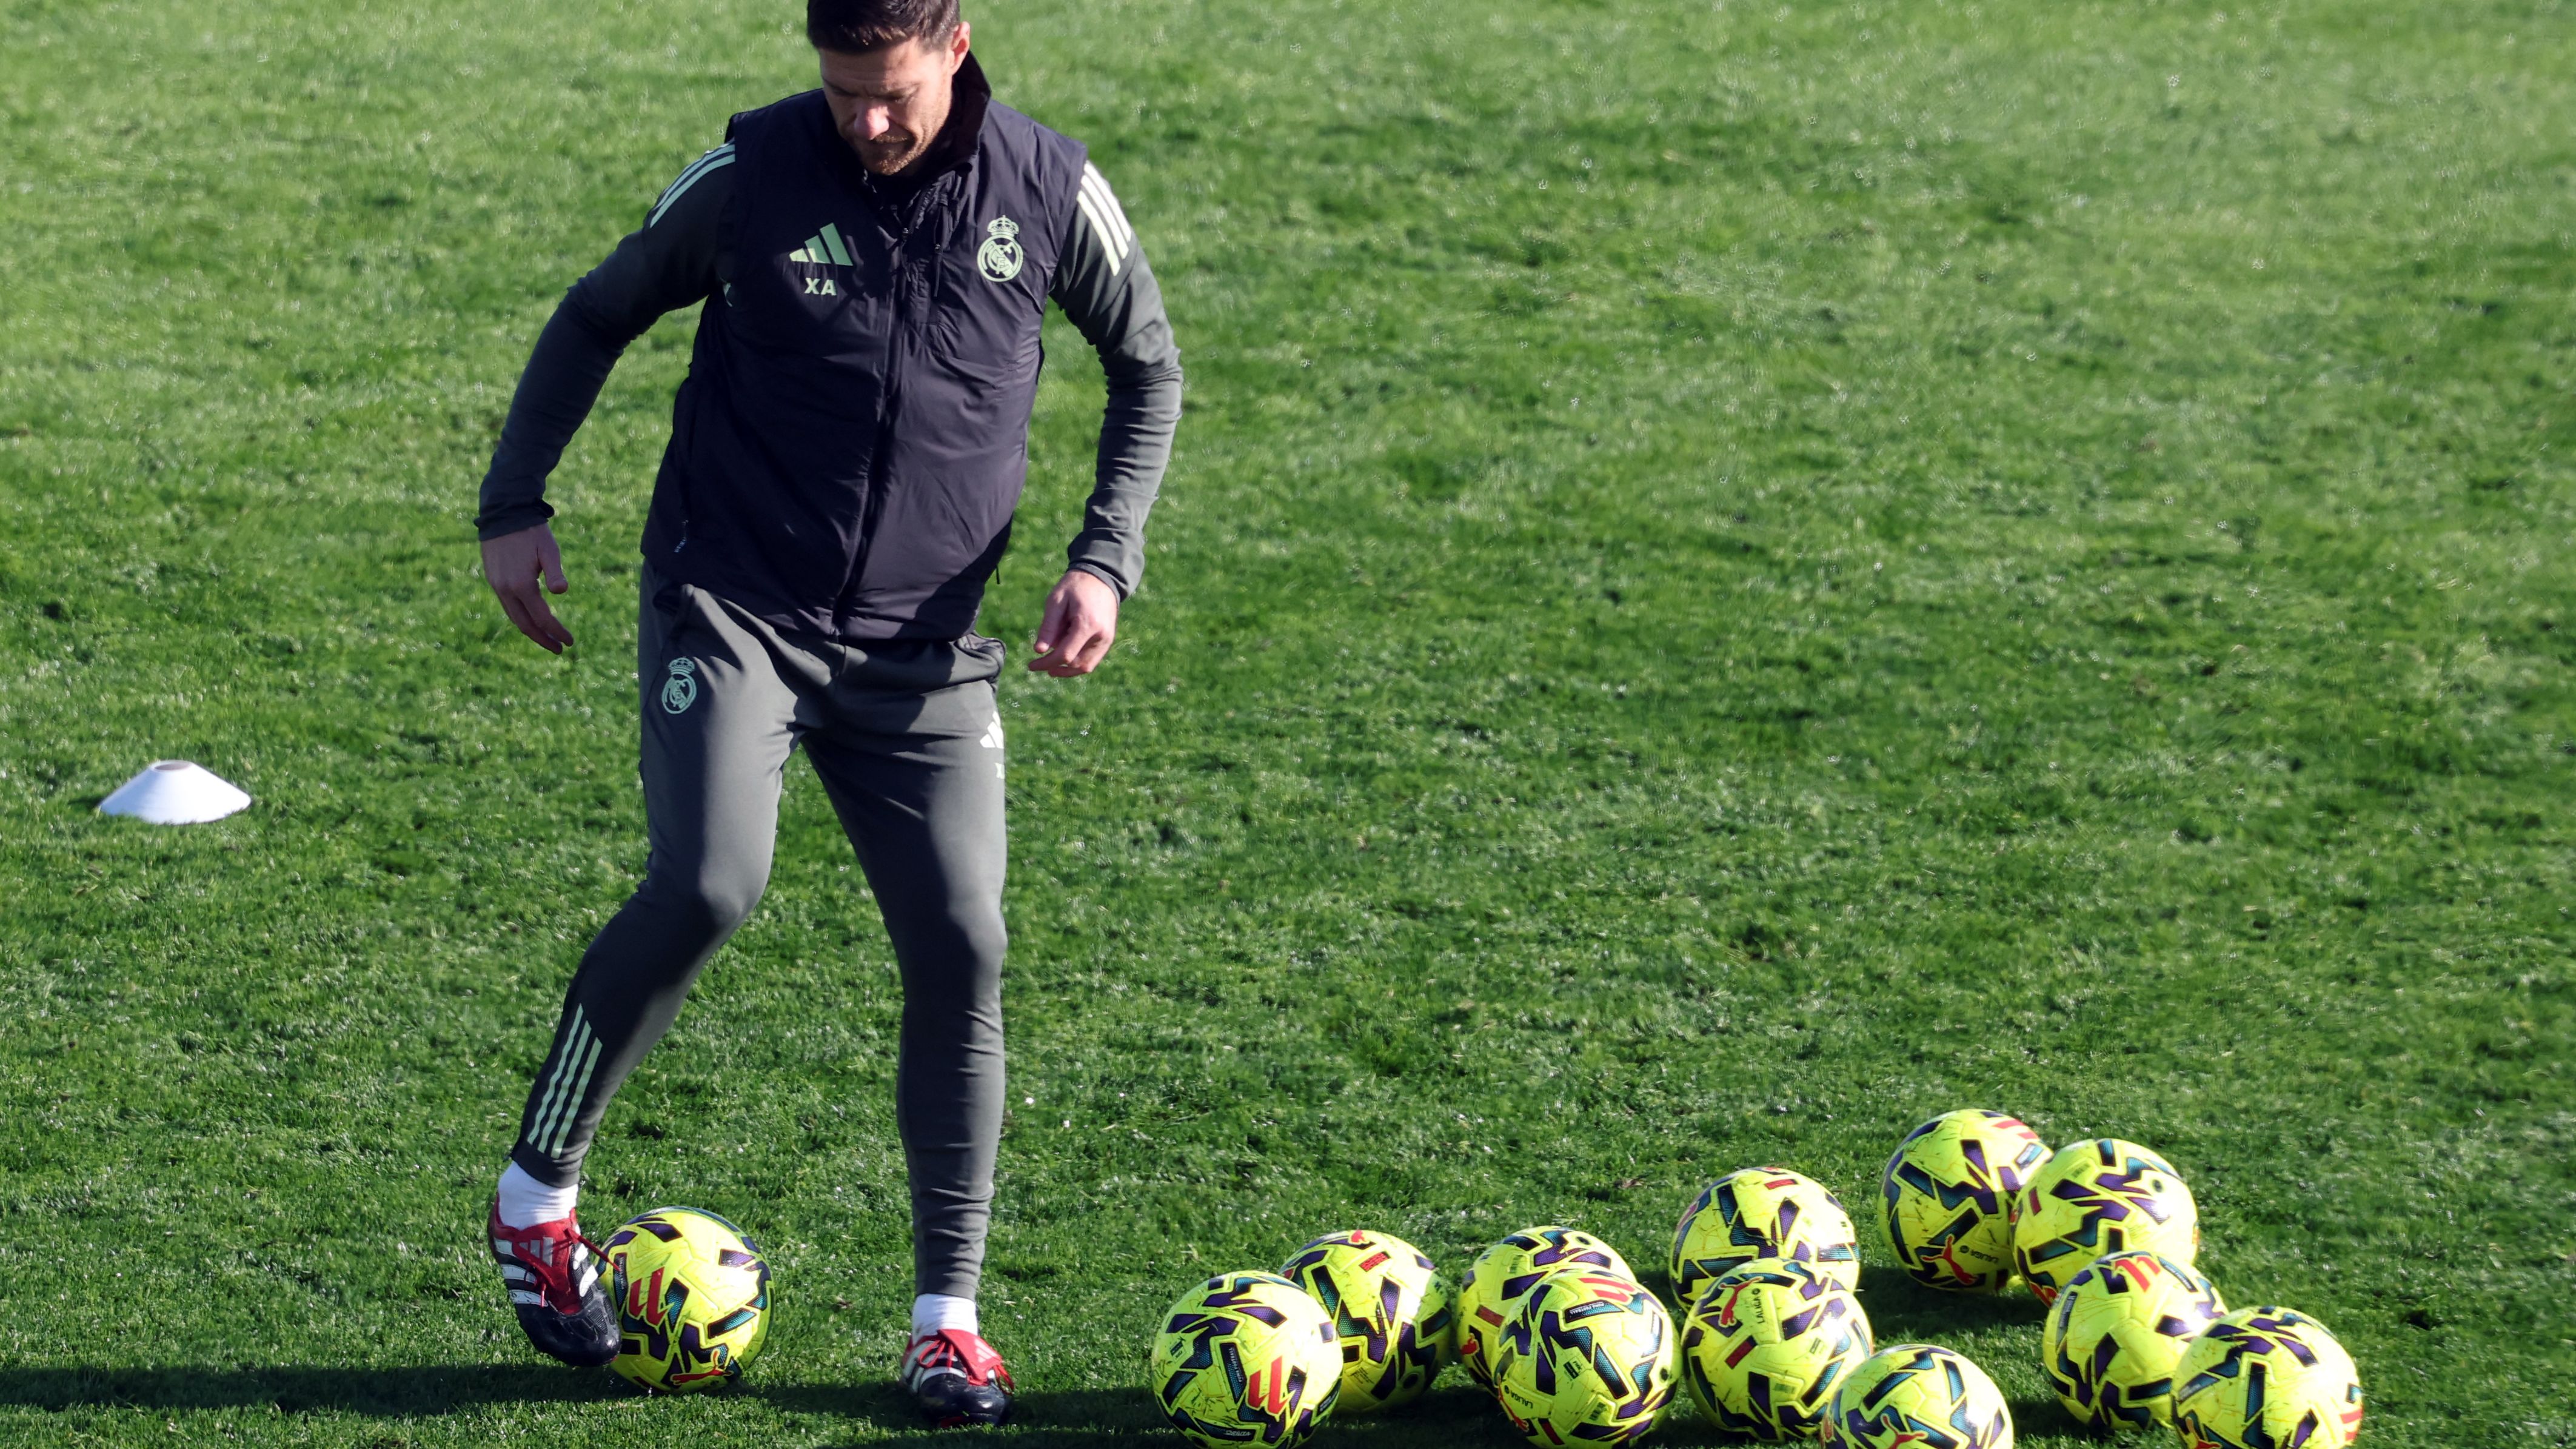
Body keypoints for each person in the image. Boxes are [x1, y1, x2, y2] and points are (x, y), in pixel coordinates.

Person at [470, 0, 1180, 1427]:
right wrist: (514, 502)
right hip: (732, 603)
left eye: (893, 92)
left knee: (965, 944)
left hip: (923, 654)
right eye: (844, 89)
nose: (865, 119)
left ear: (957, 47)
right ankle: (535, 1200)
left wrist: (1105, 554)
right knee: (715, 880)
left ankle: (947, 1323)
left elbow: (1147, 365)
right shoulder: (754, 175)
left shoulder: (1048, 186)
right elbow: (600, 308)